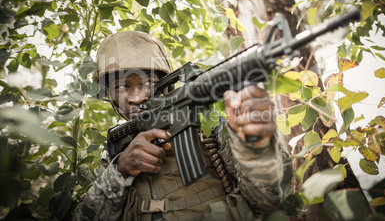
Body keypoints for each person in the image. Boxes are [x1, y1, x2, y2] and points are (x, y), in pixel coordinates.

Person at [73, 31, 293, 221]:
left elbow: (270, 201)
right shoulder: (118, 150)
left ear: (165, 81)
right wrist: (120, 170)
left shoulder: (208, 125)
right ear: (110, 95)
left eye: (147, 82)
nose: (136, 97)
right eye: (123, 86)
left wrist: (255, 145)